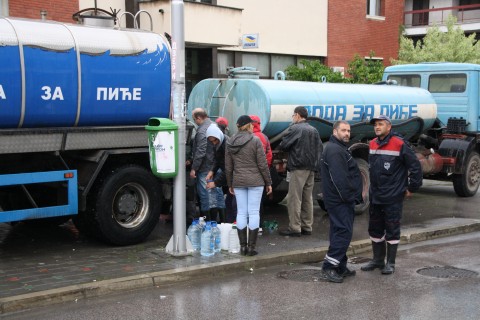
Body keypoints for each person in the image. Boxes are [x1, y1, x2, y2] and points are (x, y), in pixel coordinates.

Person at [361, 115, 422, 275]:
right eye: (376, 125)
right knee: (375, 229)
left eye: (380, 124)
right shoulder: (373, 143)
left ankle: (390, 263)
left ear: (389, 127)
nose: (377, 127)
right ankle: (377, 260)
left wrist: (412, 188)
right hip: (376, 195)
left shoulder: (399, 143)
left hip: (393, 196)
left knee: (392, 229)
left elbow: (415, 167)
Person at [320, 121, 363, 283]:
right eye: (343, 130)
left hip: (341, 199)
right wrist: (348, 197)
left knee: (339, 231)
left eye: (348, 131)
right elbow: (339, 179)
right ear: (335, 131)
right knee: (343, 232)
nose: (347, 133)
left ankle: (340, 265)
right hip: (340, 200)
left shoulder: (339, 148)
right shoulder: (335, 151)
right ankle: (329, 266)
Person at [225, 115, 272, 256]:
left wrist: (230, 183)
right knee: (253, 212)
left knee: (241, 212)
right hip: (256, 181)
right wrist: (268, 182)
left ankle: (242, 247)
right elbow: (262, 164)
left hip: (238, 181)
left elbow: (228, 167)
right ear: (249, 125)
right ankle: (251, 248)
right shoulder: (255, 140)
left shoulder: (230, 141)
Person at [278, 106, 322, 237]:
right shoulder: (314, 130)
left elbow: (284, 145)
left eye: (293, 115)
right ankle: (307, 226)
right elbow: (320, 148)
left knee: (294, 198)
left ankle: (295, 228)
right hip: (311, 168)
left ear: (297, 115)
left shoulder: (295, 128)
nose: (293, 118)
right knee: (307, 197)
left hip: (298, 167)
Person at [190, 108, 225, 220]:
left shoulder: (202, 131)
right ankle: (222, 221)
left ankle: (208, 222)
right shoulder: (215, 125)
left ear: (199, 118)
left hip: (205, 167)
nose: (195, 122)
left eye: (194, 119)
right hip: (216, 165)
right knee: (217, 194)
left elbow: (201, 150)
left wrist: (194, 168)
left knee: (205, 196)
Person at [205, 124, 228, 222]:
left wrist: (215, 183)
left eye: (215, 140)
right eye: (211, 141)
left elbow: (229, 168)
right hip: (226, 174)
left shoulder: (227, 144)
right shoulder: (218, 144)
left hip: (233, 176)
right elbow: (217, 160)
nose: (214, 143)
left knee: (234, 205)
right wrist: (212, 171)